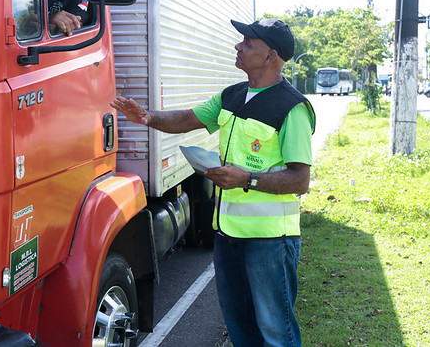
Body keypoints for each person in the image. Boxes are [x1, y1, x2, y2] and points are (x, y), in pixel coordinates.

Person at [111, 18, 315, 346]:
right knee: (241, 327)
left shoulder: (293, 108)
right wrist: (148, 117)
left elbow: (300, 179)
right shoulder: (231, 96)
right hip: (228, 236)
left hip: (270, 241)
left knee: (276, 332)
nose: (238, 47)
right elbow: (188, 119)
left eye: (248, 43)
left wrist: (246, 178)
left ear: (270, 56)